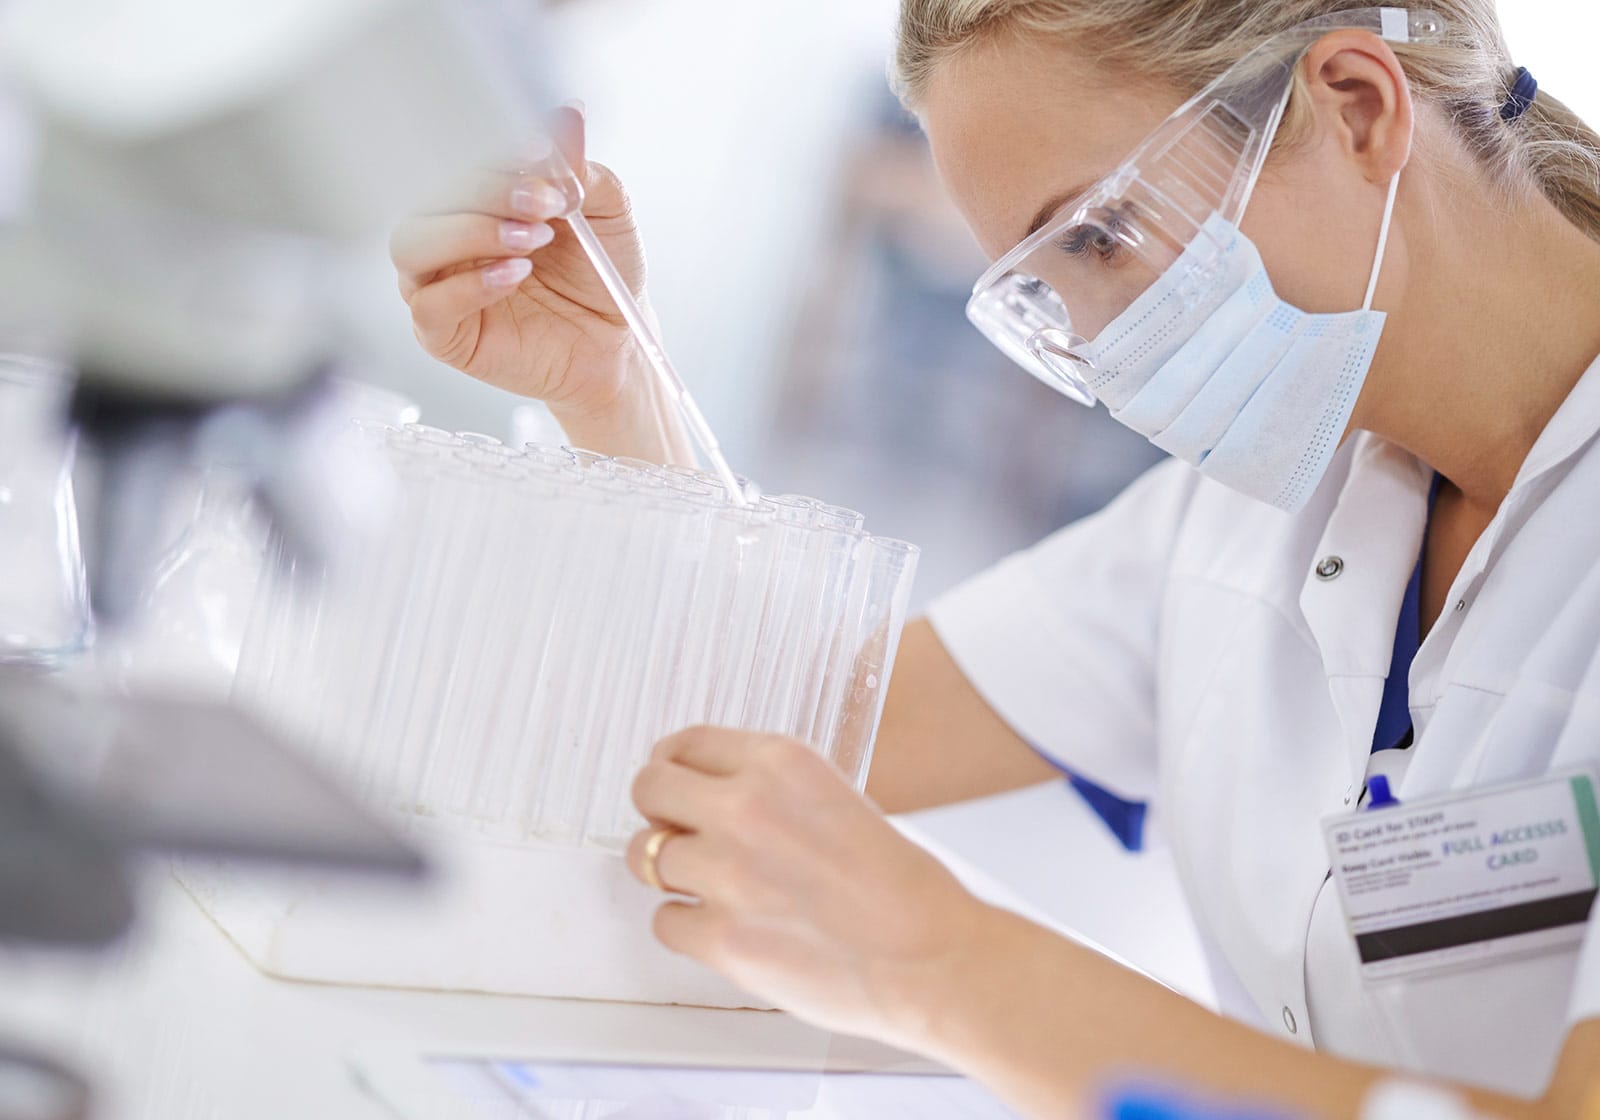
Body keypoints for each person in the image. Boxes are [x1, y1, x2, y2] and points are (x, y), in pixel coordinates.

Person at [389, 2, 1600, 1115]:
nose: (1096, 341)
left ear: (1356, 105)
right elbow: (787, 733)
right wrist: (618, 385)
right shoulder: (1264, 508)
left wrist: (941, 960)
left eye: (1102, 235)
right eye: (1042, 287)